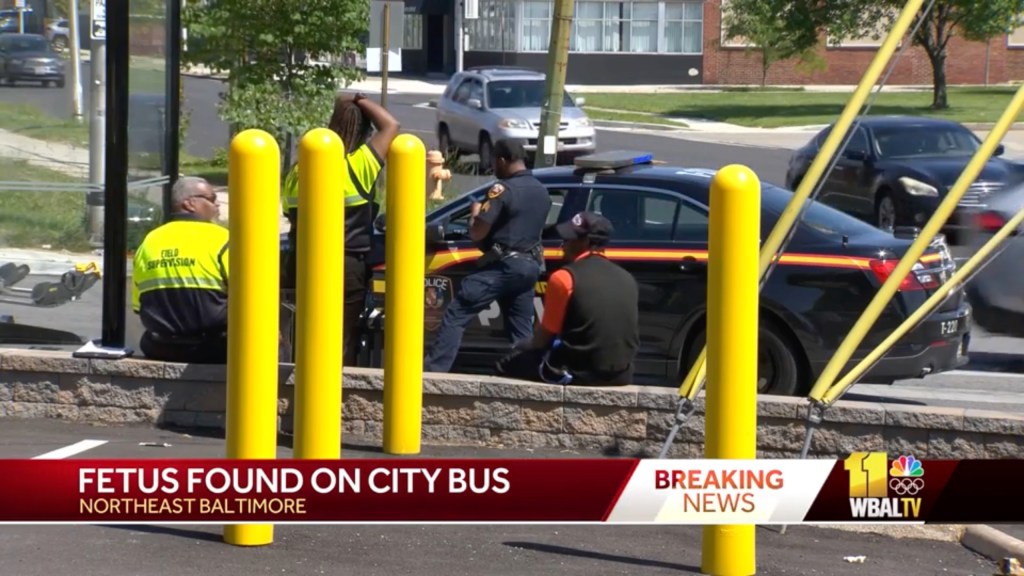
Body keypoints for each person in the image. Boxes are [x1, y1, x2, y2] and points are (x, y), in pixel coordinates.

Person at [280, 92, 400, 366]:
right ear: (363, 131)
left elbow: (290, 214)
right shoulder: (358, 165)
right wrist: (359, 99)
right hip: (345, 265)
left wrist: (342, 108)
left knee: (304, 333)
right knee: (341, 337)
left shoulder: (299, 171)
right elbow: (391, 126)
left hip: (301, 262)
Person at [424, 139, 551, 373]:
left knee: (458, 311)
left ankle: (434, 372)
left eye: (494, 161)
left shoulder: (502, 189)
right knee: (520, 328)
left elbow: (477, 232)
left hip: (503, 267)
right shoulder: (541, 191)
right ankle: (528, 373)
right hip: (530, 267)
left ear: (502, 160)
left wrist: (474, 215)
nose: (494, 166)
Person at [495, 211, 639, 386]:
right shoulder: (627, 278)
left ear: (586, 242)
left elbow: (542, 339)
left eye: (569, 239)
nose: (563, 245)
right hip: (622, 374)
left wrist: (520, 346)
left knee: (507, 362)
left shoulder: (564, 277)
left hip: (578, 372)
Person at [132, 177, 230, 364]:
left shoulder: (149, 242)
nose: (217, 204)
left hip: (159, 347)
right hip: (214, 349)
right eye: (211, 198)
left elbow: (138, 306)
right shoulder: (222, 238)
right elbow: (251, 300)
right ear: (190, 203)